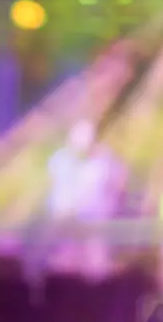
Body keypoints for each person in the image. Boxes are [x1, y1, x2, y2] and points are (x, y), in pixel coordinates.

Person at [25, 120, 127, 284]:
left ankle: (93, 290)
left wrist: (110, 206)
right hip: (65, 218)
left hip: (93, 220)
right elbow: (53, 186)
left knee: (94, 260)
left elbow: (118, 185)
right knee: (64, 255)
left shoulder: (105, 161)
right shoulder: (61, 160)